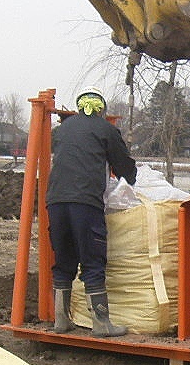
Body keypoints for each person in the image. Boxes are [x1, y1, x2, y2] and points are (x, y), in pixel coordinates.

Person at [46, 87, 137, 336]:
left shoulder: (62, 129)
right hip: (85, 202)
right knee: (92, 260)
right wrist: (131, 178)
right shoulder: (105, 129)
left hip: (55, 201)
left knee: (63, 261)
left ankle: (61, 321)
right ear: (101, 110)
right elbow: (124, 166)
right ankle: (101, 324)